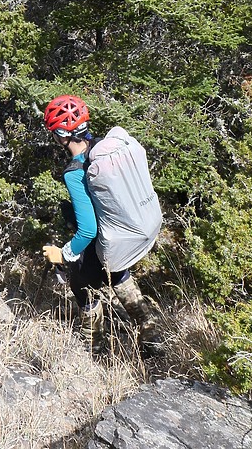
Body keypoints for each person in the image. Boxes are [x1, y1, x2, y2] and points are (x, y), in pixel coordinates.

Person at [41, 95, 160, 350]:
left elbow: (87, 230)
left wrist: (63, 255)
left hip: (100, 238)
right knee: (117, 272)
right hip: (120, 232)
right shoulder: (101, 148)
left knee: (81, 285)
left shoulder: (75, 172)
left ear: (62, 134)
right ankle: (151, 334)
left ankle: (94, 346)